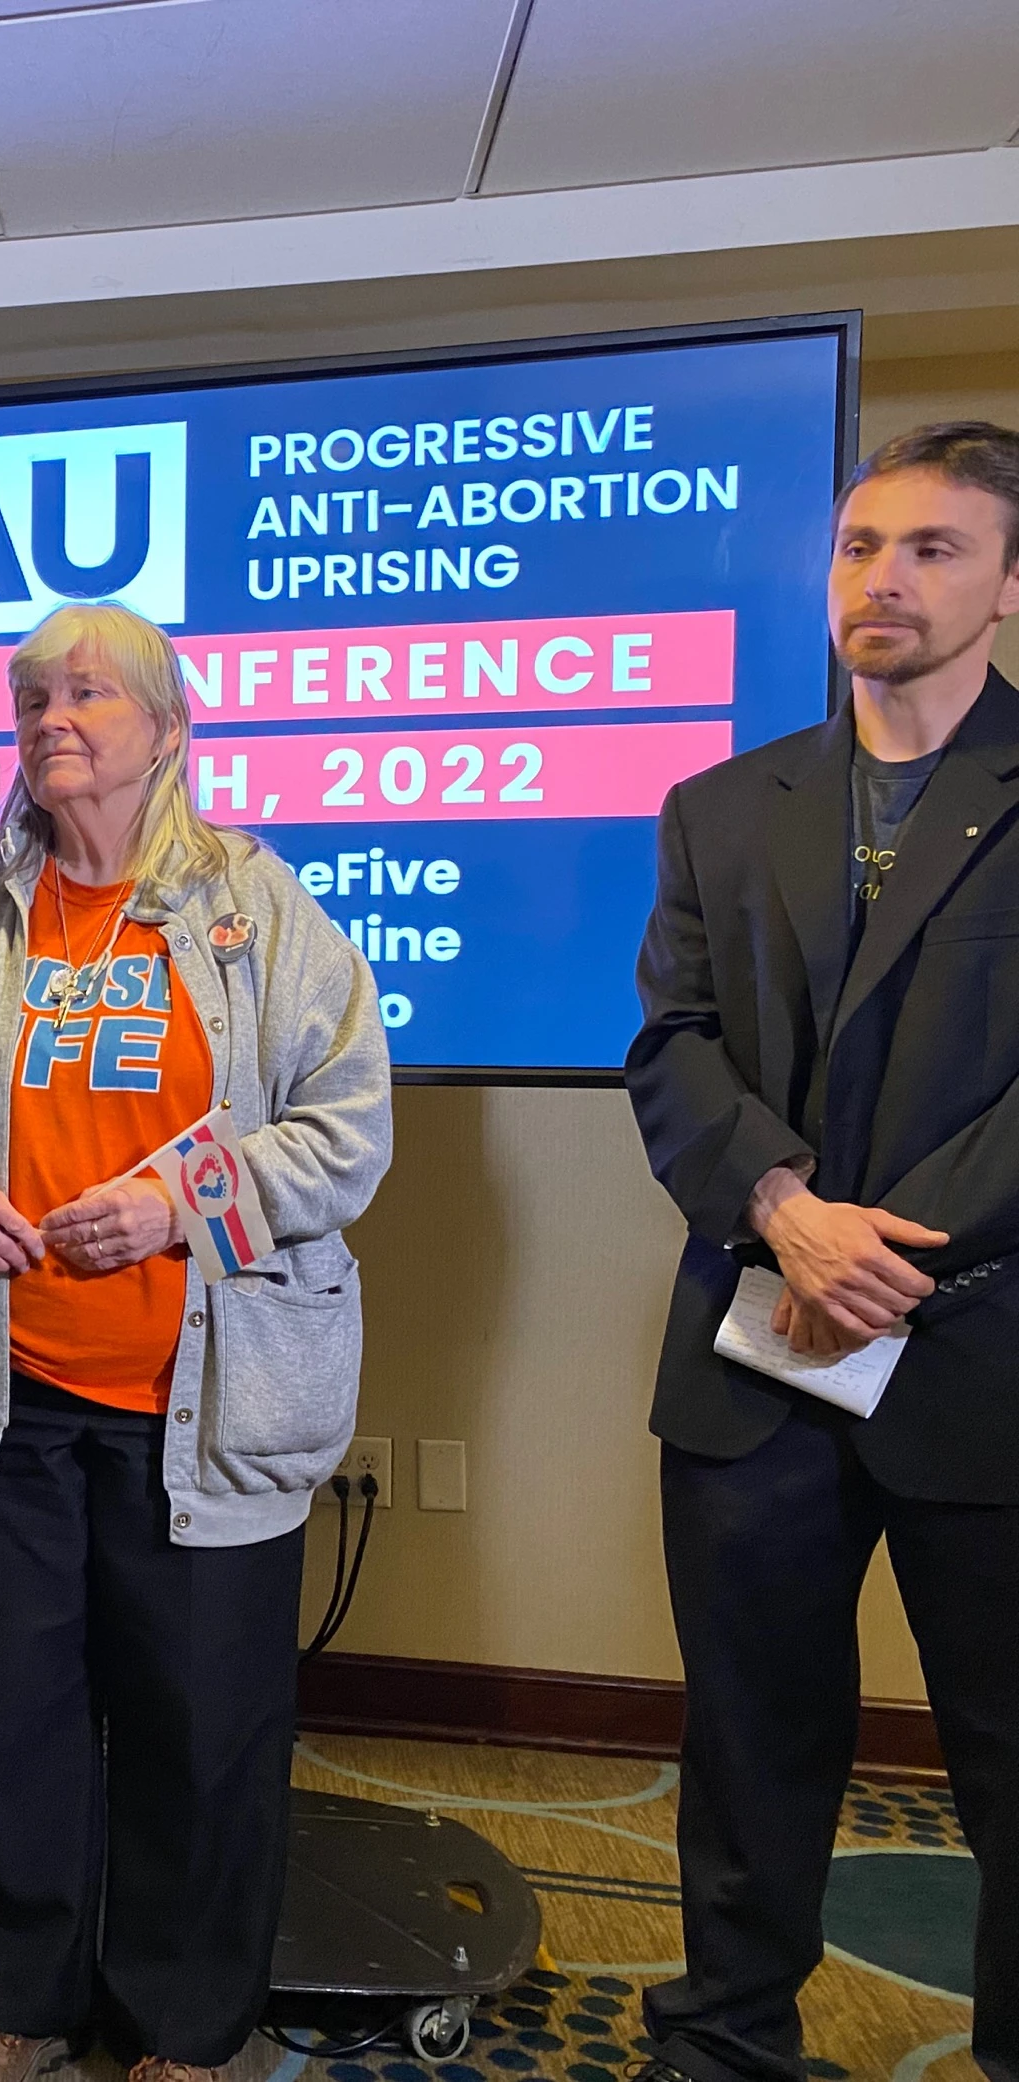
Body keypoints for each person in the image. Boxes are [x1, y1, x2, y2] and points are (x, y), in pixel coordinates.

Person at [0, 602, 390, 2082]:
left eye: (85, 692)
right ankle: (17, 1999)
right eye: (29, 697)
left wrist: (174, 1204)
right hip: (4, 1389)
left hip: (205, 1402)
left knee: (200, 1732)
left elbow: (346, 1130)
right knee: (16, 1717)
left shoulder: (257, 906)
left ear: (166, 722)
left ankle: (186, 2031)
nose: (50, 718)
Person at [626, 421, 1019, 2082]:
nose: (885, 577)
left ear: (1006, 581)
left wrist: (891, 1247)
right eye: (861, 545)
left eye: (933, 547)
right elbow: (673, 1043)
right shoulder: (721, 804)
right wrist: (785, 1207)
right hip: (758, 1349)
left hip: (980, 1353)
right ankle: (725, 2040)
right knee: (750, 1741)